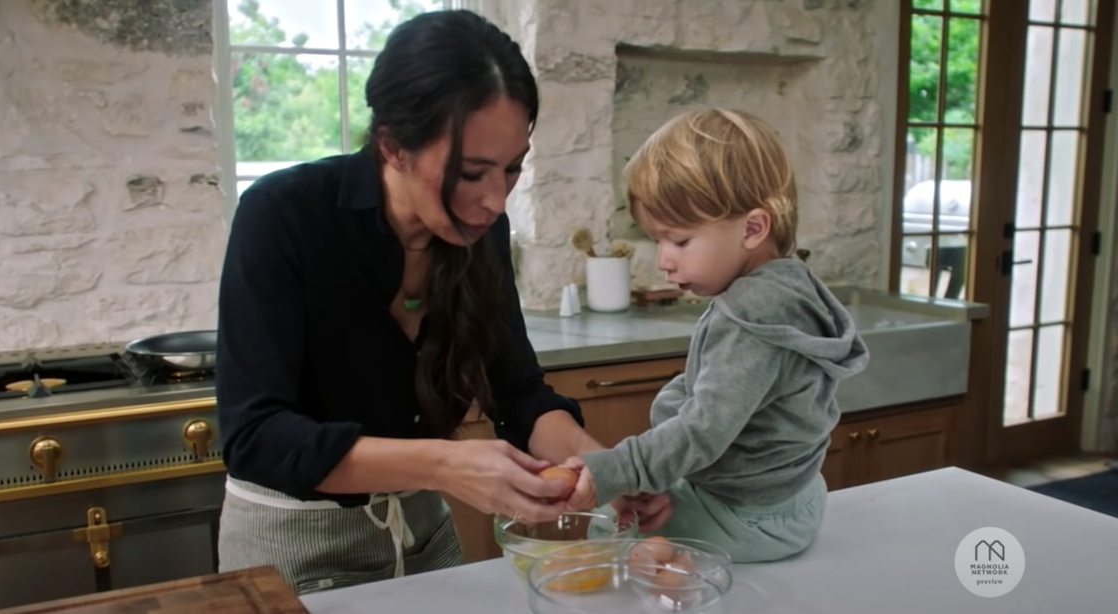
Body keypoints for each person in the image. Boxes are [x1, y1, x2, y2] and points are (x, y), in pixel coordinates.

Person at [212, 9, 663, 594]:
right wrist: (444, 464)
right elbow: (256, 438)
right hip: (292, 546)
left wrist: (604, 469)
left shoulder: (479, 235)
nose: (495, 200)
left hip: (423, 537)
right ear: (393, 146)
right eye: (472, 173)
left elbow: (518, 392)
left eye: (511, 169)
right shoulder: (283, 216)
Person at [563, 108, 870, 563]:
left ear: (752, 229)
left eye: (679, 241)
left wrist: (619, 470)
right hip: (792, 496)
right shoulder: (782, 288)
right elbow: (711, 394)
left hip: (749, 517)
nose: (664, 260)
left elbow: (703, 430)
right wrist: (659, 467)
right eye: (657, 240)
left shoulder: (751, 318)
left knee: (610, 541)